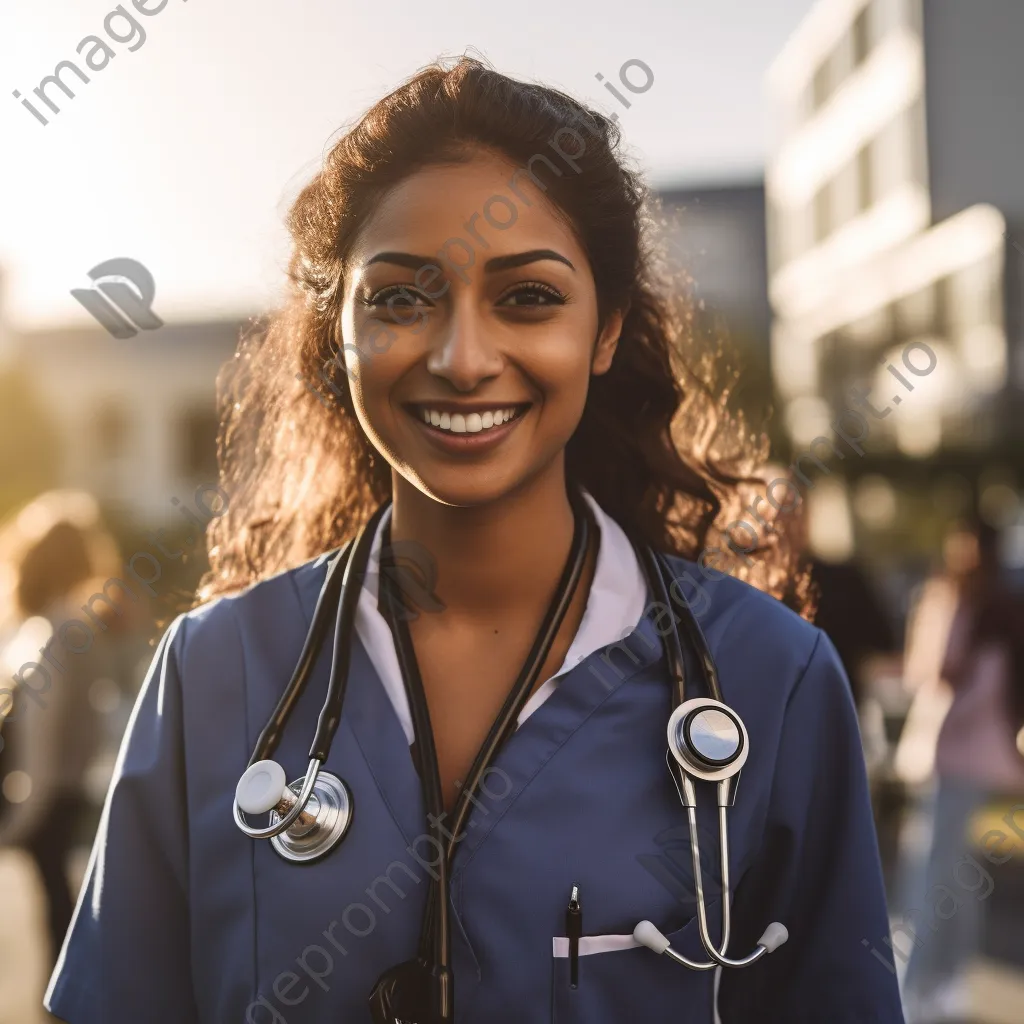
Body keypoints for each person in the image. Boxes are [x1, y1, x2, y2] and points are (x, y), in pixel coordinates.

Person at [44, 58, 904, 1023]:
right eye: (401, 299)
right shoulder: (209, 677)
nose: (461, 358)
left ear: (606, 330)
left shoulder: (771, 681)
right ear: (339, 332)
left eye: (528, 298)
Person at [0, 491, 134, 968]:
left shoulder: (51, 633)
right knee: (62, 907)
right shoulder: (79, 629)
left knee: (58, 913)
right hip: (66, 793)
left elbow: (41, 736)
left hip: (46, 797)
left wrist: (21, 817)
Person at [899, 519, 1024, 1023]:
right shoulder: (966, 603)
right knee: (960, 882)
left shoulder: (991, 611)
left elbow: (974, 688)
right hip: (975, 761)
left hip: (966, 761)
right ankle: (944, 982)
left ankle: (918, 985)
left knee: (935, 879)